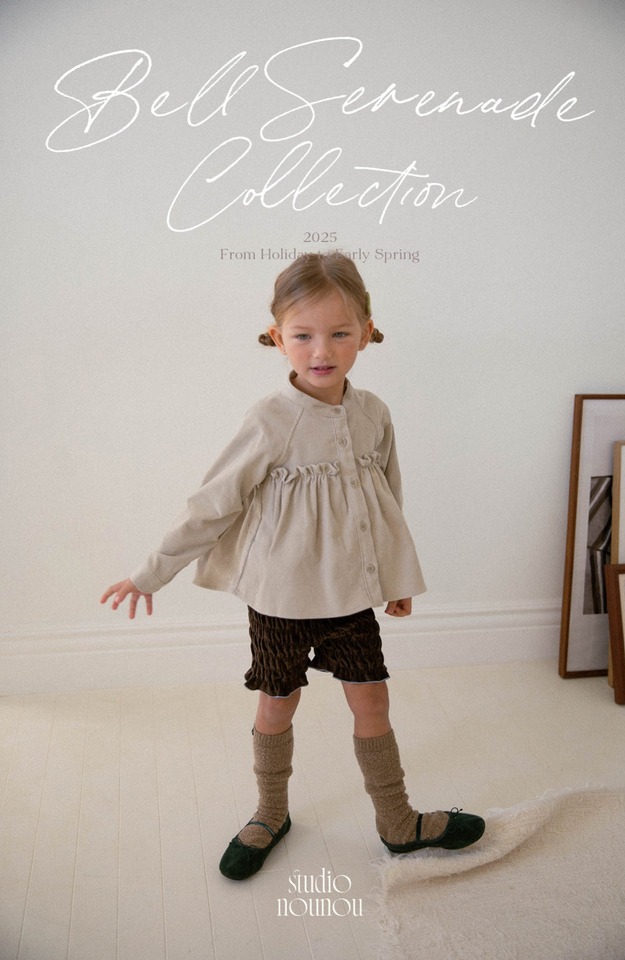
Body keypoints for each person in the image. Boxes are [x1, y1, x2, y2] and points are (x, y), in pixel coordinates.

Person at [101, 252, 485, 881]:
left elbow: (386, 499)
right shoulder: (270, 420)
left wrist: (395, 578)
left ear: (366, 332)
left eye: (339, 332)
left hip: (351, 597)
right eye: (303, 335)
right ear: (278, 337)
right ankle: (269, 812)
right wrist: (151, 572)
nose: (321, 350)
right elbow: (214, 503)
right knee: (277, 703)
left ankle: (397, 821)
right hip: (280, 600)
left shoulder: (374, 413)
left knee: (373, 700)